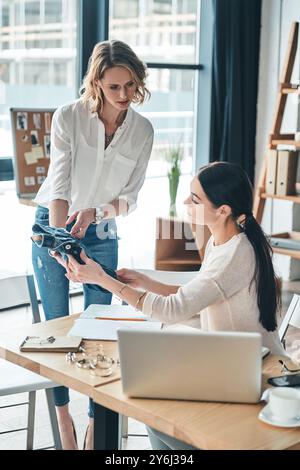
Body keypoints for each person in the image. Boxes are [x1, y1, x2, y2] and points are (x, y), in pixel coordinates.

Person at [59, 161, 286, 450]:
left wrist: (103, 279)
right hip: (235, 362)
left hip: (257, 373)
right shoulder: (225, 241)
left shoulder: (235, 254)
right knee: (154, 410)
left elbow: (174, 309)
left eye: (194, 199)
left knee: (157, 415)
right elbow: (198, 296)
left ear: (223, 210)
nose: (184, 203)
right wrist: (145, 281)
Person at [32, 39, 154, 450]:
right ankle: (62, 416)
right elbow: (60, 183)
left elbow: (131, 197)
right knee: (55, 327)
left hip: (101, 232)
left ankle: (94, 422)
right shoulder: (69, 116)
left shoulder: (142, 130)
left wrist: (95, 214)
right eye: (114, 86)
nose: (123, 96)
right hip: (53, 224)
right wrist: (60, 240)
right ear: (97, 82)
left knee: (101, 328)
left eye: (130, 86)